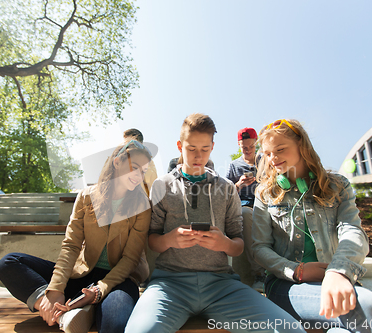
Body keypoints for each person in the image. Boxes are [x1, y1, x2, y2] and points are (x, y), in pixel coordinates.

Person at [125, 113, 305, 333]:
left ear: (212, 147)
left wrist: (223, 244)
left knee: (289, 329)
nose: (198, 156)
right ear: (180, 146)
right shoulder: (162, 185)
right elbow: (152, 241)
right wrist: (170, 239)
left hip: (222, 285)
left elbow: (238, 245)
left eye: (204, 149)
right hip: (170, 285)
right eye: (191, 149)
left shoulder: (228, 188)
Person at [251, 119, 372, 333]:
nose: (272, 159)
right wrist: (297, 271)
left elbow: (353, 232)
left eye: (280, 149)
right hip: (287, 286)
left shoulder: (337, 186)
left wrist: (338, 272)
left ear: (302, 145)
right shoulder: (265, 194)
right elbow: (259, 248)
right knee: (367, 304)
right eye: (267, 153)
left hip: (336, 279)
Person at [0, 140, 153, 333]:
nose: (138, 175)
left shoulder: (142, 205)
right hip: (83, 274)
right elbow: (71, 245)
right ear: (117, 162)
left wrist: (98, 291)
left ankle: (86, 306)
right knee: (9, 263)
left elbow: (130, 258)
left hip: (118, 280)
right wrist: (54, 291)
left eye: (143, 171)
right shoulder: (86, 196)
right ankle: (61, 312)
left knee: (114, 325)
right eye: (134, 167)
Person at [225, 127, 265, 288]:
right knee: (245, 214)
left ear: (256, 144)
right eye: (244, 147)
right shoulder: (234, 165)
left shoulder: (265, 160)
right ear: (239, 146)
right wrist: (239, 184)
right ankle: (259, 274)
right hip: (245, 205)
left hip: (265, 203)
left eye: (251, 147)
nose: (248, 150)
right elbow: (226, 193)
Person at [123, 128, 158, 195]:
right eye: (125, 144)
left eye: (128, 143)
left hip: (139, 200)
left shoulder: (148, 161)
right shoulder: (123, 158)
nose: (126, 146)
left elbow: (152, 182)